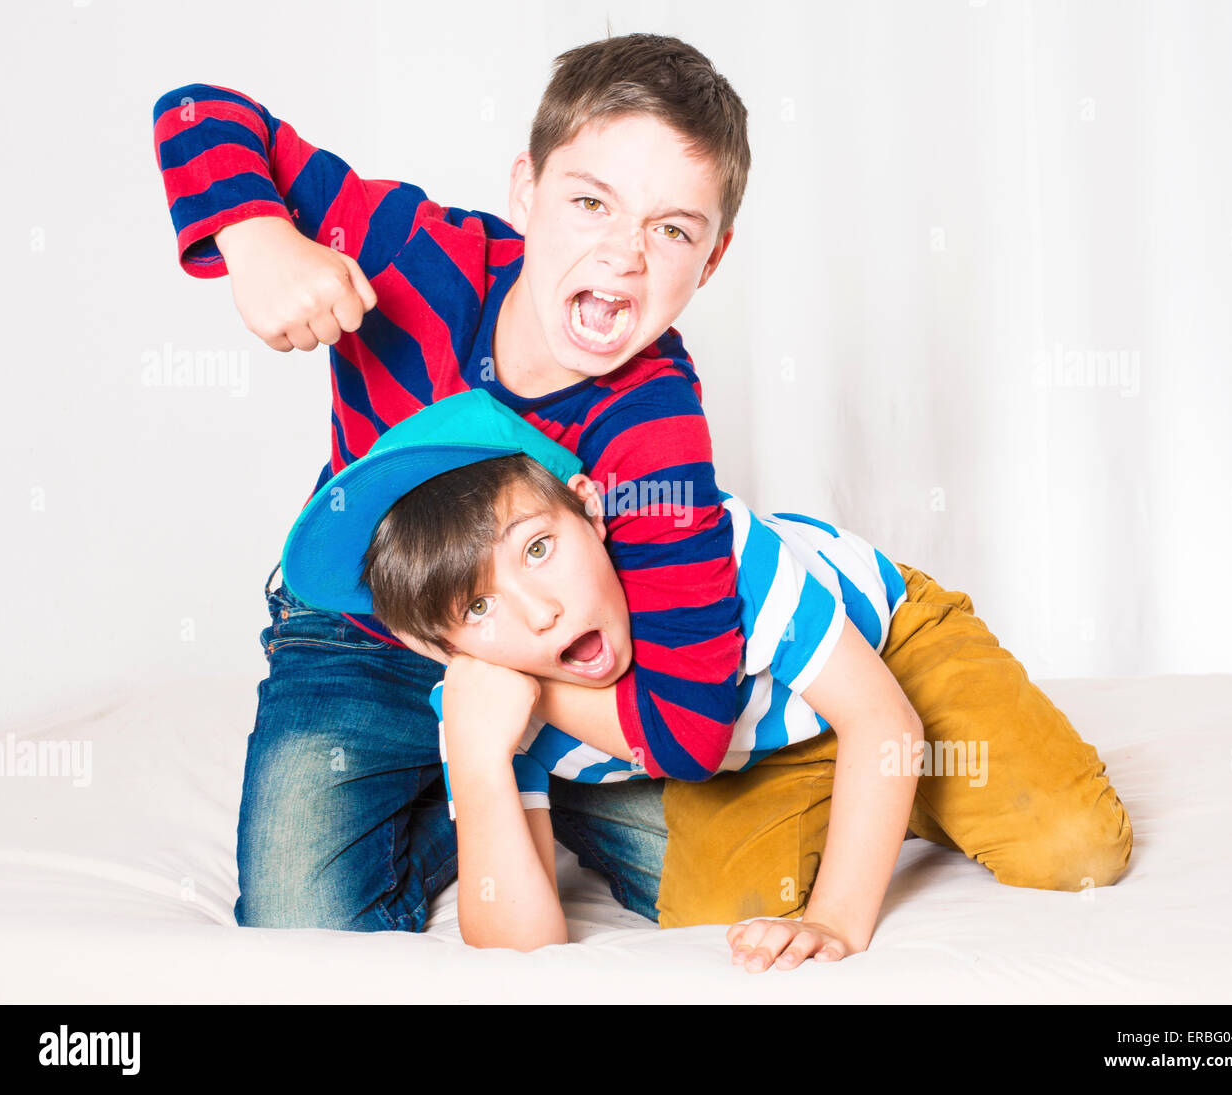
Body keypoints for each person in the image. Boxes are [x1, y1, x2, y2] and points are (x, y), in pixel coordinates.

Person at [151, 34, 757, 931]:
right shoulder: (415, 256)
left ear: (709, 260)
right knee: (299, 916)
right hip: (364, 631)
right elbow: (197, 111)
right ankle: (451, 796)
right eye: (591, 202)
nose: (624, 253)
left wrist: (515, 692)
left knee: (729, 887)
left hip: (552, 654)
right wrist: (259, 236)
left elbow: (690, 724)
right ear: (527, 191)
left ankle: (512, 774)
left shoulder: (657, 428)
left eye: (671, 229)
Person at [282, 388, 1135, 972]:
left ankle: (910, 789)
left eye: (538, 549)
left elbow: (885, 723)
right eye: (477, 607)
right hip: (761, 753)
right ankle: (869, 797)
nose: (538, 611)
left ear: (590, 506)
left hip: (886, 657)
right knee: (711, 918)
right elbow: (522, 953)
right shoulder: (487, 701)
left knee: (1073, 845)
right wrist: (475, 763)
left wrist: (837, 920)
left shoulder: (708, 557)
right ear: (442, 646)